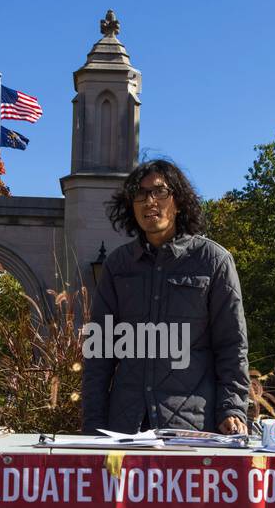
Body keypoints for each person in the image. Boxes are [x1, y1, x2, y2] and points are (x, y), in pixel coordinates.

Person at [81, 159, 250, 435]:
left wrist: (231, 408)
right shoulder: (118, 265)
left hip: (191, 426)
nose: (150, 201)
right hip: (125, 426)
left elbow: (232, 346)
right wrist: (93, 423)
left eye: (160, 192)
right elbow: (99, 351)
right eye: (140, 194)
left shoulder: (213, 261)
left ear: (179, 201)